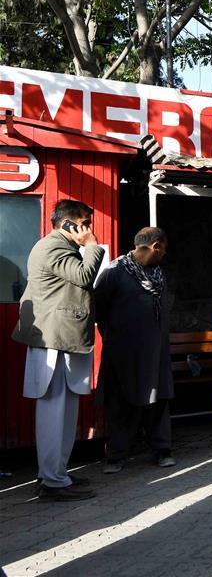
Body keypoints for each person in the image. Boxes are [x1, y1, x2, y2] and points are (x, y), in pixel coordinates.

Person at [12, 200, 105, 501]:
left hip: (62, 337)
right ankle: (51, 481)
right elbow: (82, 276)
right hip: (53, 339)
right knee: (54, 409)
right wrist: (92, 246)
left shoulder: (59, 246)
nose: (89, 229)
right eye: (86, 223)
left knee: (66, 410)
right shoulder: (53, 246)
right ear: (69, 223)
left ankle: (57, 475)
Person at [95, 227, 175, 473]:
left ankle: (162, 449)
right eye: (164, 249)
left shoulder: (158, 273)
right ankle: (117, 455)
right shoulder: (115, 271)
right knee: (122, 401)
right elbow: (99, 310)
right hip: (124, 351)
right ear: (156, 246)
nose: (164, 255)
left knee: (158, 400)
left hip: (156, 351)